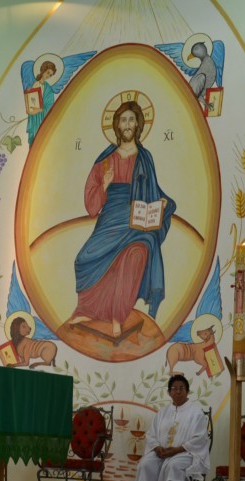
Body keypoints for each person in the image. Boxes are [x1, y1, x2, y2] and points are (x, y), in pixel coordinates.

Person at [67, 99, 177, 338]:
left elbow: (154, 191)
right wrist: (104, 187)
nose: (127, 124)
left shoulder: (145, 158)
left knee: (135, 254)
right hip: (111, 218)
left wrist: (164, 203)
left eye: (131, 119)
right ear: (117, 125)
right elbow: (91, 203)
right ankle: (88, 309)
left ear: (138, 124)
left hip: (137, 222)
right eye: (123, 120)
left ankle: (118, 317)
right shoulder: (105, 159)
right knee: (83, 259)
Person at [135, 374, 209, 481]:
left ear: (187, 391)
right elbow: (151, 434)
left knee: (174, 466)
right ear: (169, 392)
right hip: (162, 452)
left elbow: (200, 438)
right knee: (145, 464)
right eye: (174, 389)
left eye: (181, 388)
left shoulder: (196, 412)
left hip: (185, 453)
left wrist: (176, 450)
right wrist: (156, 448)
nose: (178, 391)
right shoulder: (162, 412)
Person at [26, 60, 56, 146]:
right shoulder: (33, 84)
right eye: (47, 73)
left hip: (41, 117)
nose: (48, 76)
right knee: (32, 141)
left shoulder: (48, 89)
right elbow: (29, 100)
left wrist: (39, 110)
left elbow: (50, 106)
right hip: (33, 118)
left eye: (50, 75)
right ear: (43, 70)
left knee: (40, 141)